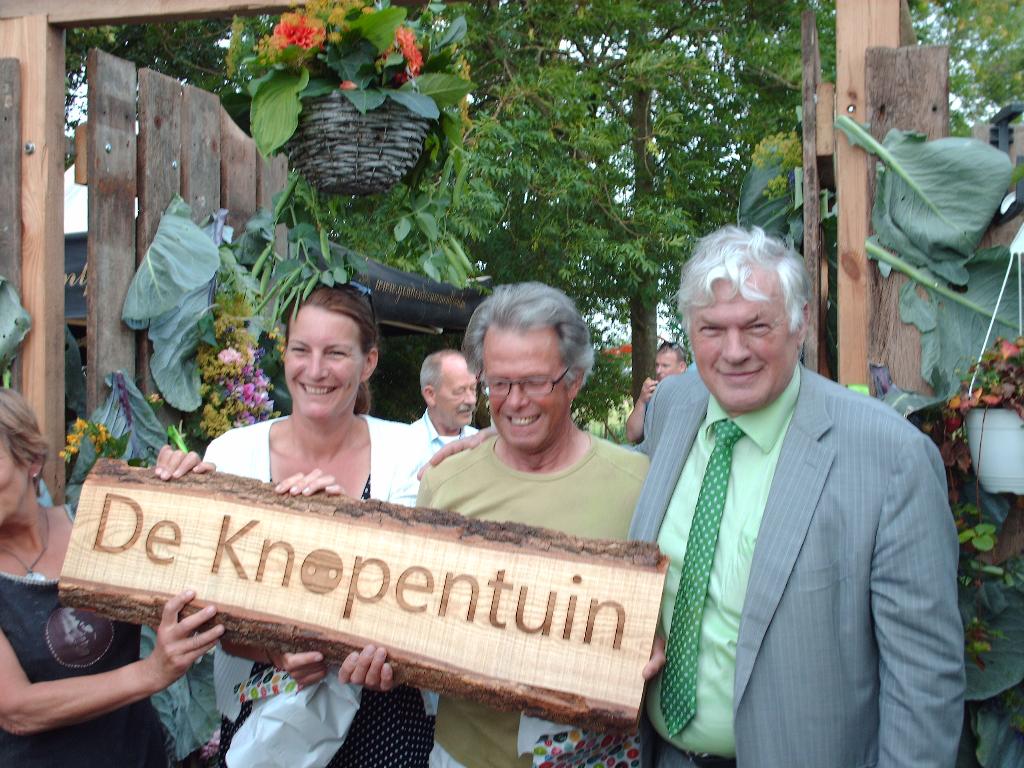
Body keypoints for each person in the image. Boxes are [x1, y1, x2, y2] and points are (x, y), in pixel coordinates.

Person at [631, 226, 964, 768]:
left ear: (800, 321)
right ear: (690, 330)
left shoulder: (890, 457)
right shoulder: (674, 404)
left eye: (756, 326)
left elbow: (924, 680)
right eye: (712, 329)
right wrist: (501, 445)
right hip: (662, 754)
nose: (734, 351)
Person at [154, 284, 432, 768]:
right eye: (301, 350)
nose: (315, 369)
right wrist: (173, 494)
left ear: (368, 363)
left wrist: (350, 523)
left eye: (336, 353)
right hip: (267, 717)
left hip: (387, 718)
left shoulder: (410, 454)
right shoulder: (232, 453)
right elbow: (203, 601)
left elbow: (428, 596)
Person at [417, 282, 651, 768]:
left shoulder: (640, 485)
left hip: (597, 757)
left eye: (535, 382)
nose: (515, 401)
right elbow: (411, 616)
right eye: (499, 383)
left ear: (575, 379)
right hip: (464, 756)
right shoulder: (444, 483)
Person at [0, 387, 223, 766]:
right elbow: (16, 709)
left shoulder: (100, 525)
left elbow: (198, 585)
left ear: (31, 459)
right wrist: (151, 673)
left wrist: (187, 494)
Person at [409, 350, 478, 469]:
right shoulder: (406, 446)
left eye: (473, 389)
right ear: (430, 395)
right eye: (460, 391)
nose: (471, 400)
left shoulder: (483, 444)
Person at [625, 341, 687, 443]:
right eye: (657, 365)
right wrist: (641, 400)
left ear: (682, 367)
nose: (658, 371)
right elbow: (631, 435)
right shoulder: (653, 393)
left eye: (665, 366)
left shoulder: (692, 393)